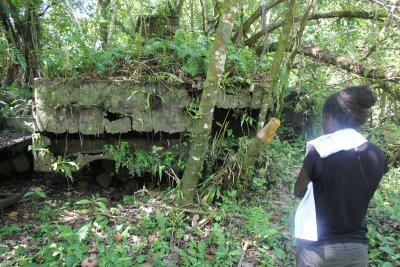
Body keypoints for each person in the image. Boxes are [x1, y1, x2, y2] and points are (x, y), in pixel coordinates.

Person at [294, 85, 388, 267]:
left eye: (323, 119)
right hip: (357, 250)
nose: (322, 125)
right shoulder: (377, 155)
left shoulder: (319, 152)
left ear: (330, 119)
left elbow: (298, 190)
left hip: (317, 250)